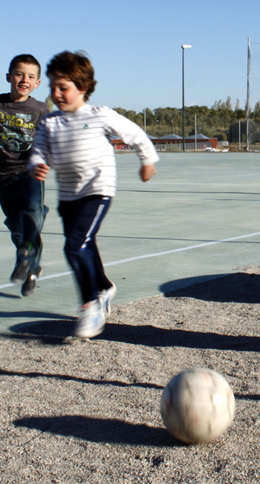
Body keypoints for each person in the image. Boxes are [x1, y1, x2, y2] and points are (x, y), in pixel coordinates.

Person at [29, 51, 158, 339]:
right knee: (85, 244)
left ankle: (91, 306)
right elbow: (39, 150)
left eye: (63, 87)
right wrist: (37, 163)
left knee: (74, 246)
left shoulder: (99, 115)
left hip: (98, 190)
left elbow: (135, 134)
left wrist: (147, 160)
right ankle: (103, 286)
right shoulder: (50, 123)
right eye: (52, 87)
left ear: (83, 87)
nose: (56, 94)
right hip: (68, 195)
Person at [0, 54, 50, 297]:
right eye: (19, 74)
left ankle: (26, 254)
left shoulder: (40, 109)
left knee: (33, 213)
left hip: (31, 172)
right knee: (18, 229)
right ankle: (33, 268)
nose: (24, 79)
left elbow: (49, 139)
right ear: (9, 77)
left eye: (31, 76)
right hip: (4, 174)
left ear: (37, 83)